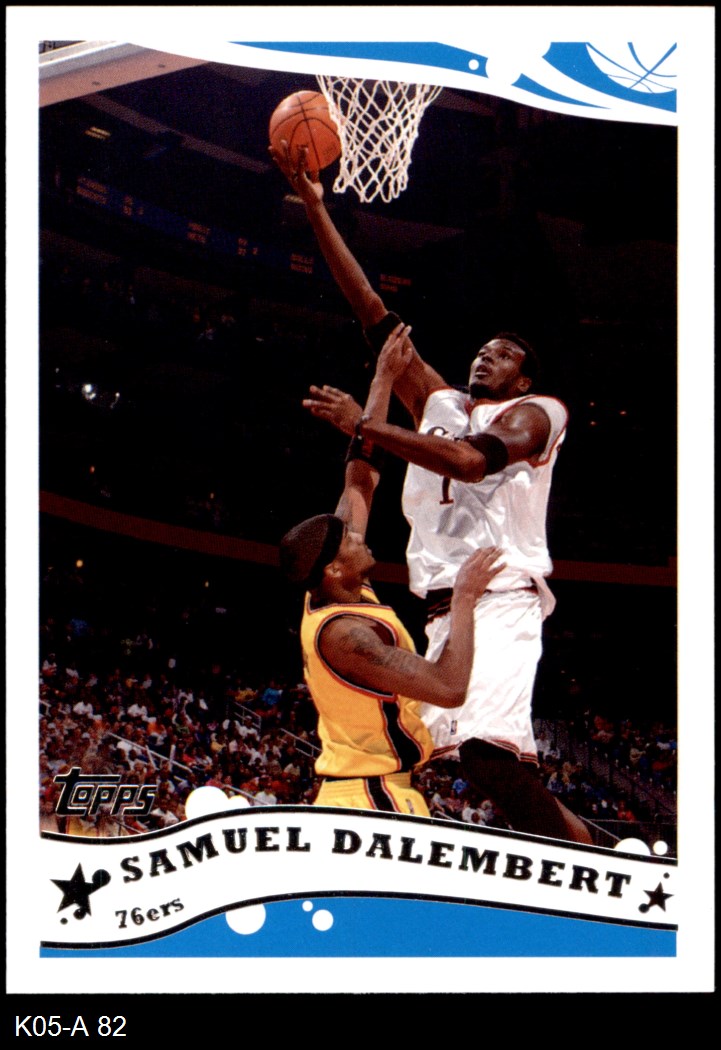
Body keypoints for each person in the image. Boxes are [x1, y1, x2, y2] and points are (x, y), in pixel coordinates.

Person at [271, 144, 591, 844]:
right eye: (482, 348)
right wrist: (318, 211)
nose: (485, 355)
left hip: (498, 593)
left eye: (503, 354)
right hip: (443, 608)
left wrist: (364, 424)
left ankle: (597, 868)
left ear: (523, 378)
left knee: (487, 758)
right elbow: (371, 310)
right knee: (475, 764)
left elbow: (471, 463)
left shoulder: (539, 414)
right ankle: (604, 850)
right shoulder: (438, 401)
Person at [280, 326, 504, 817]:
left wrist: (382, 379)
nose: (358, 534)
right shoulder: (346, 636)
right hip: (371, 799)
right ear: (334, 568)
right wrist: (464, 598)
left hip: (376, 791)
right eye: (349, 539)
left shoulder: (337, 587)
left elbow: (361, 480)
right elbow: (448, 688)